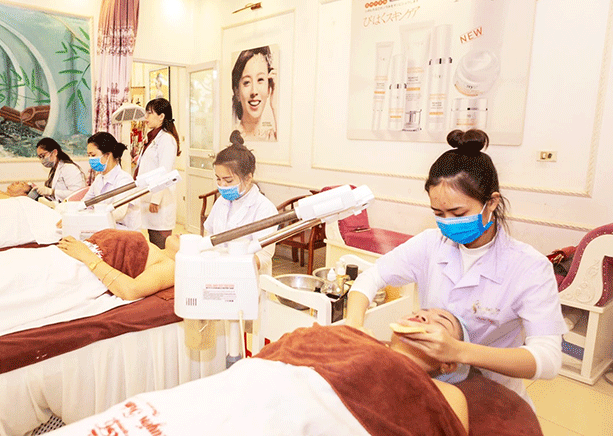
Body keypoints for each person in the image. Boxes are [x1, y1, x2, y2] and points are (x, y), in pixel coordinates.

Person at [345, 128, 567, 408]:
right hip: (429, 379)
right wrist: (354, 326)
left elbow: (548, 359)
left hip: (495, 392)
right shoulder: (430, 244)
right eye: (438, 214)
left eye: (458, 213)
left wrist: (459, 351)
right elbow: (372, 277)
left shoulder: (529, 267)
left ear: (492, 203)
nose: (448, 222)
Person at [46, 309, 471, 436]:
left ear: (449, 361)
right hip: (246, 389)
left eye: (440, 321)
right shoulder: (349, 337)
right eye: (421, 310)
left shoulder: (446, 392)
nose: (423, 315)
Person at [0, 227, 178, 359]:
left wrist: (86, 256)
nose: (183, 234)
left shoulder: (170, 266)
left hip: (72, 272)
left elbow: (130, 290)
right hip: (56, 257)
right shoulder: (150, 241)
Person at [204, 130, 278, 275]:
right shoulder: (221, 201)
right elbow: (209, 235)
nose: (222, 185)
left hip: (247, 277)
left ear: (248, 178)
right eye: (218, 179)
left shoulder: (264, 208)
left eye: (228, 180)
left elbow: (264, 256)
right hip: (217, 273)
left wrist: (231, 265)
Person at [133, 98, 180, 249]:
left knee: (160, 243)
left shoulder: (167, 139)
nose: (145, 117)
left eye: (149, 113)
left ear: (161, 116)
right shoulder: (152, 137)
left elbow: (164, 171)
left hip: (159, 201)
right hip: (148, 197)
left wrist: (156, 199)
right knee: (152, 240)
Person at [83, 131, 140, 230]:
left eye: (93, 155)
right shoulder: (99, 179)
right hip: (104, 227)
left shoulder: (124, 180)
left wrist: (90, 219)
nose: (90, 159)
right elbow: (85, 203)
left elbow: (118, 213)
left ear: (107, 155)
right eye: (89, 156)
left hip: (124, 231)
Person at [231, 46, 277, 141]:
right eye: (247, 82)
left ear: (269, 88)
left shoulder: (272, 137)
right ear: (237, 91)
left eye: (260, 80)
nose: (254, 91)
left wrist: (275, 106)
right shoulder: (232, 136)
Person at [34, 137, 86, 202]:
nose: (42, 159)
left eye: (43, 156)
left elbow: (77, 194)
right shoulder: (54, 170)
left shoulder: (69, 168)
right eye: (40, 157)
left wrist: (52, 192)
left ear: (54, 152)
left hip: (71, 206)